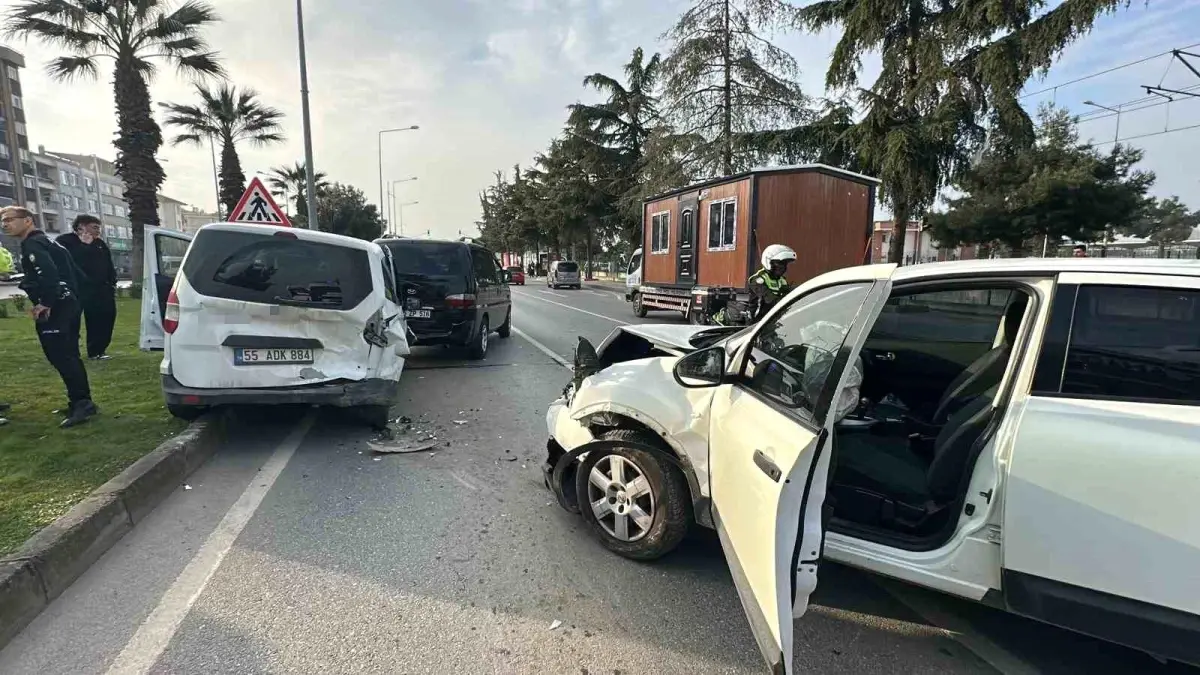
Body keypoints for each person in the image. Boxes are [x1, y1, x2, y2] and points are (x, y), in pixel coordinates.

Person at [1, 206, 97, 428]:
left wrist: (46, 303)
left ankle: (82, 404)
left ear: (27, 220)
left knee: (61, 355)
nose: (5, 224)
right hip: (68, 303)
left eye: (9, 219)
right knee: (69, 354)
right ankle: (80, 401)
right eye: (3, 221)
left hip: (56, 307)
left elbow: (50, 273)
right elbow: (73, 273)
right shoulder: (47, 241)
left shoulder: (33, 243)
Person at [57, 214, 117, 360]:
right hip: (77, 289)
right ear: (81, 227)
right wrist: (84, 245)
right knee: (71, 321)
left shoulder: (100, 243)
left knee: (104, 318)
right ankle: (69, 353)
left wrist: (112, 282)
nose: (98, 231)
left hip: (101, 289)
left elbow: (108, 263)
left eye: (99, 228)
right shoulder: (65, 241)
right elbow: (69, 263)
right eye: (95, 227)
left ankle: (97, 350)